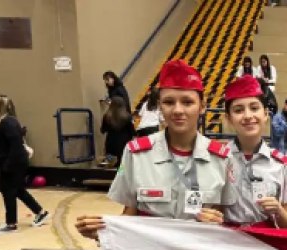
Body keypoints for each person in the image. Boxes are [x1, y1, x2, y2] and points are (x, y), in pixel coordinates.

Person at [76, 59, 235, 240]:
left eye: (187, 102)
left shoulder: (221, 158)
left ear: (203, 106)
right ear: (160, 106)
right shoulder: (136, 154)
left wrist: (216, 222)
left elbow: (226, 219)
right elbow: (129, 215)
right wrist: (103, 233)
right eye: (169, 102)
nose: (177, 110)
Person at [222, 75, 287, 228]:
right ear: (229, 118)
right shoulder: (217, 159)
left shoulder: (282, 165)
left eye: (254, 108)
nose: (248, 116)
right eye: (238, 110)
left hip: (266, 247)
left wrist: (279, 211)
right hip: (226, 245)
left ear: (265, 115)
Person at [0, 95, 49, 235]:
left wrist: (7, 166)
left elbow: (16, 146)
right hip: (12, 162)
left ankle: (11, 224)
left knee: (8, 191)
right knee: (18, 190)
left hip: (14, 163)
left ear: (1, 106)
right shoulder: (4, 121)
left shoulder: (8, 122)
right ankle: (40, 212)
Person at [100, 96, 136, 168]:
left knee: (110, 163)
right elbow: (132, 132)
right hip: (124, 144)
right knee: (122, 164)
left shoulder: (106, 116)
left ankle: (110, 176)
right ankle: (120, 176)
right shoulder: (127, 117)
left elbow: (103, 130)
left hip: (110, 143)